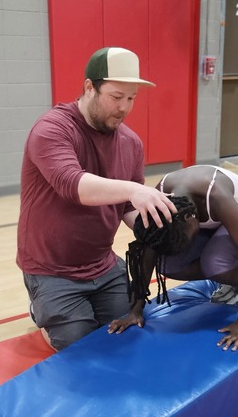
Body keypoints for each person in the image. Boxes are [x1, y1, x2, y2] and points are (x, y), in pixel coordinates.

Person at [17, 47, 177, 350]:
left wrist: (158, 225)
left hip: (102, 266)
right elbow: (73, 185)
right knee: (78, 345)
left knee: (128, 332)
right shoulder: (52, 129)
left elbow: (128, 207)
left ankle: (64, 309)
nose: (124, 108)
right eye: (116, 97)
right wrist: (133, 189)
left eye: (131, 98)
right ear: (89, 87)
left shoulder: (131, 143)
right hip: (52, 270)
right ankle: (41, 307)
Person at [107, 165, 238, 351]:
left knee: (215, 263)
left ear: (189, 216)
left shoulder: (216, 195)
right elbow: (148, 251)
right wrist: (135, 310)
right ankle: (235, 278)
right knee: (167, 262)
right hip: (213, 222)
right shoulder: (160, 201)